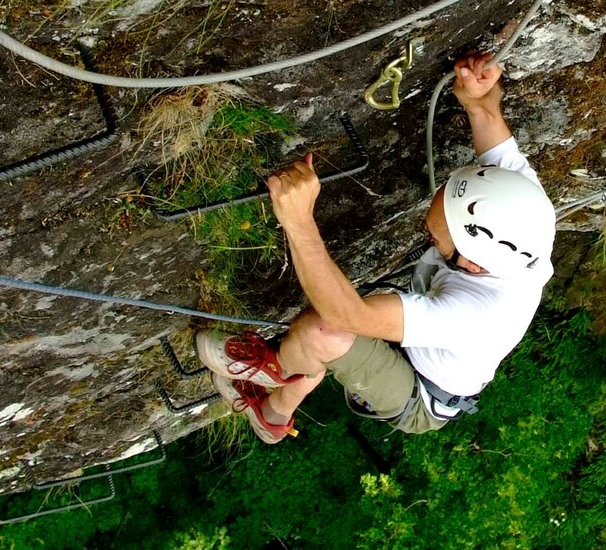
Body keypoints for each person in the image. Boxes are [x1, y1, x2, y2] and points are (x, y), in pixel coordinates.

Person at [195, 52, 555, 444]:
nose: (427, 232)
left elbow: (346, 315)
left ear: (470, 262)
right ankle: (275, 416)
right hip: (426, 340)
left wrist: (297, 220)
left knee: (324, 334)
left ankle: (269, 370)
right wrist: (479, 95)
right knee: (332, 345)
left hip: (422, 390)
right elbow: (487, 117)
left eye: (437, 237)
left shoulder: (474, 316)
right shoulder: (523, 207)